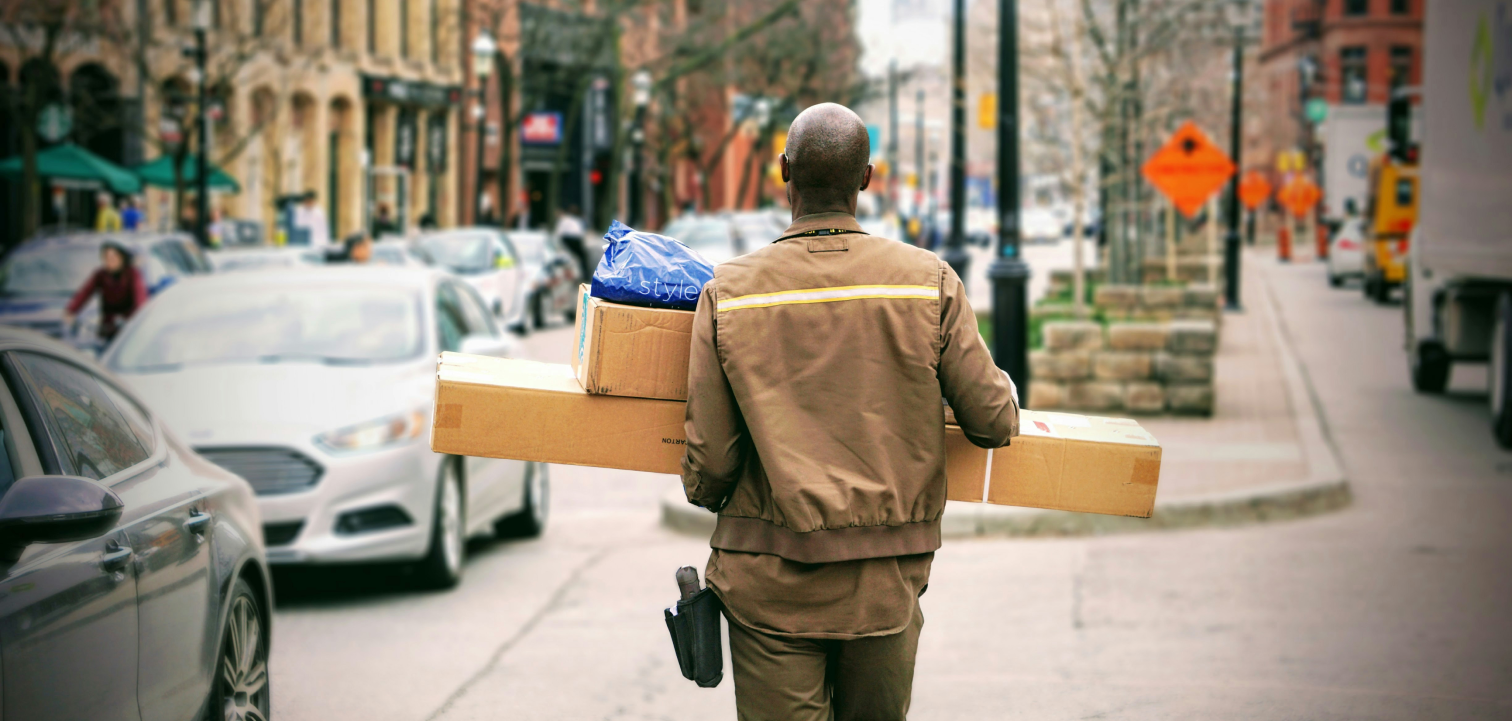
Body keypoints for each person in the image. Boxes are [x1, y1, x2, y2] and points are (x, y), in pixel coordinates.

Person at [680, 103, 1020, 721]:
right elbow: (992, 422)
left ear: (784, 172)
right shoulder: (928, 283)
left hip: (768, 582)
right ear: (867, 178)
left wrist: (710, 492)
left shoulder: (728, 293)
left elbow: (711, 463)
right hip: (883, 584)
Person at [63, 241, 148, 345]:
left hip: (128, 325)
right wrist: (71, 311)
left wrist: (140, 317)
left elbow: (140, 296)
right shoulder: (100, 275)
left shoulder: (132, 273)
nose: (109, 262)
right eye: (106, 258)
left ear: (122, 258)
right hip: (108, 326)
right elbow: (85, 292)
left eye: (113, 258)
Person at [555, 204, 588, 280]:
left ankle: (581, 275)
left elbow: (558, 233)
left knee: (579, 257)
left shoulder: (567, 219)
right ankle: (584, 275)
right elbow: (581, 233)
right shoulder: (574, 220)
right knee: (581, 258)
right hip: (571, 240)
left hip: (570, 240)